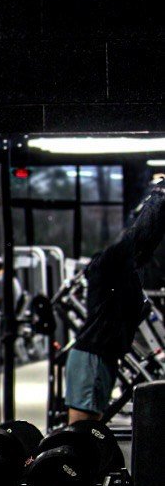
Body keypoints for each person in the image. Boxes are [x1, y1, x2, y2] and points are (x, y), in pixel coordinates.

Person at [68, 176, 165, 422]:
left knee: (92, 427)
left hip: (103, 356)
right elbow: (141, 238)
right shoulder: (110, 262)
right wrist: (160, 195)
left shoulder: (121, 272)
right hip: (93, 356)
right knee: (81, 432)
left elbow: (145, 245)